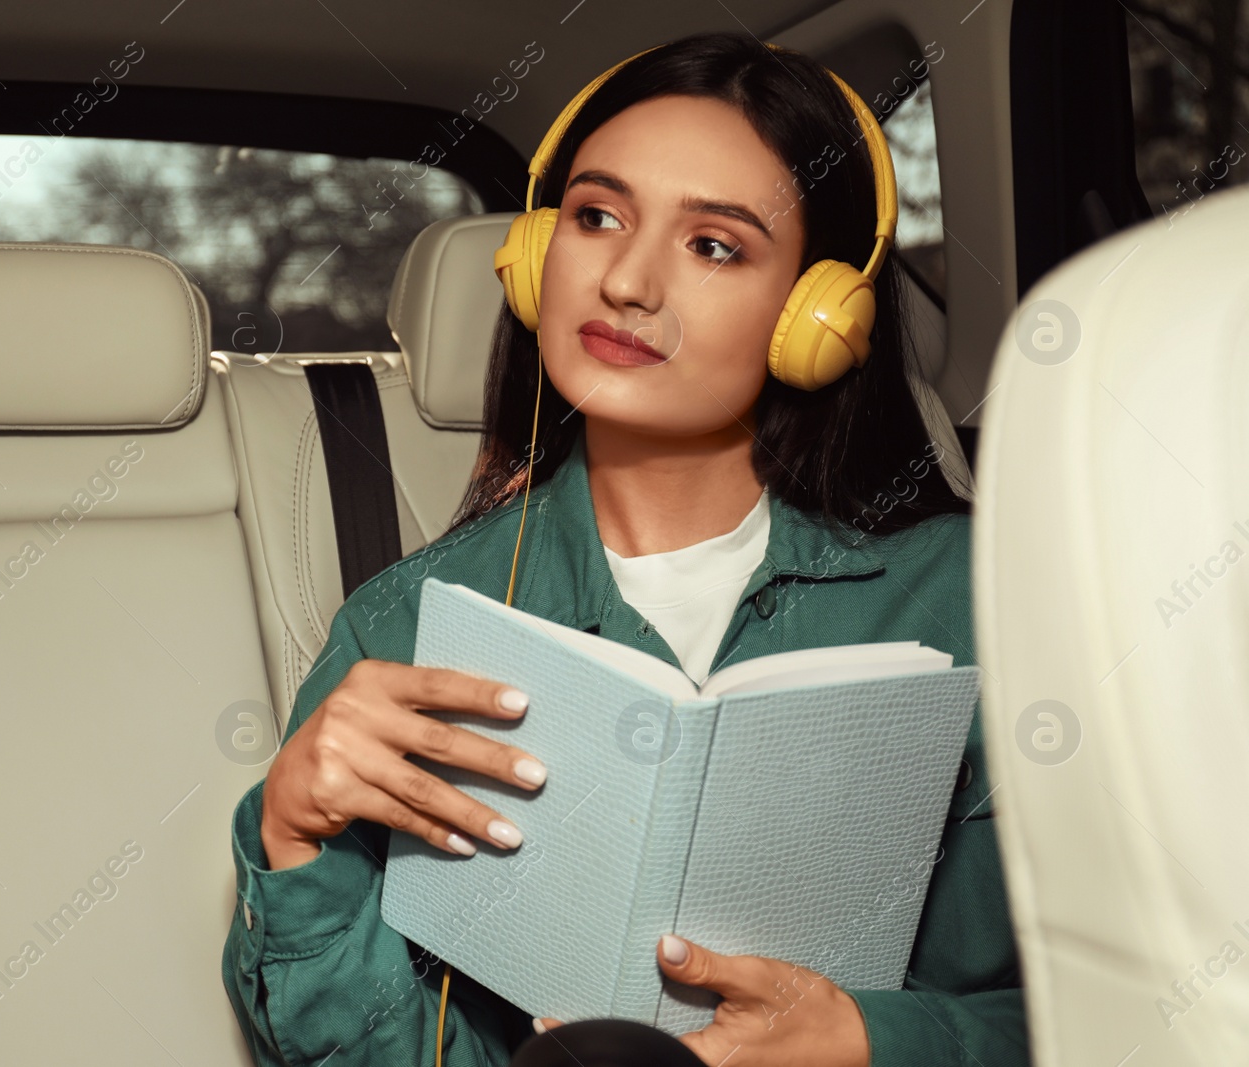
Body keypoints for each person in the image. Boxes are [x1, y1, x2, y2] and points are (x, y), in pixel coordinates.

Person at [222, 32, 1027, 1066]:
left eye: (714, 245)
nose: (629, 282)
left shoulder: (973, 599)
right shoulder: (405, 625)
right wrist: (294, 837)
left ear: (815, 315)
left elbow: (1134, 998)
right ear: (533, 259)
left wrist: (874, 1038)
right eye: (597, 217)